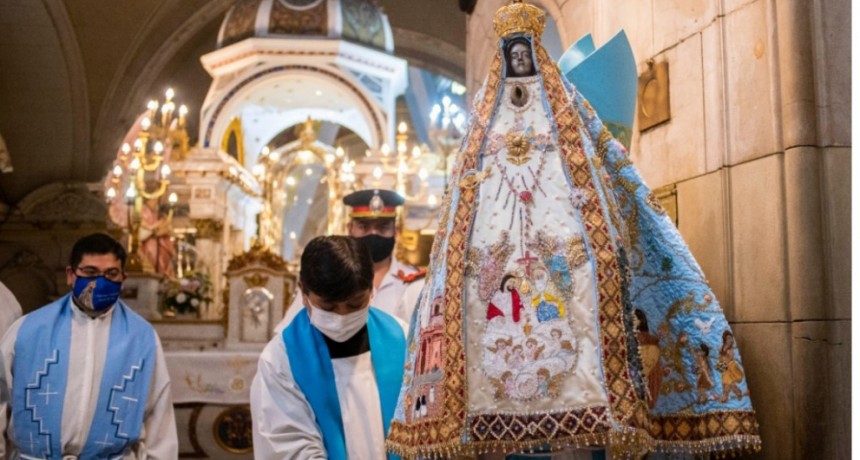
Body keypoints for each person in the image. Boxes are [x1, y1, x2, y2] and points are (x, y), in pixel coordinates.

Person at [386, 1, 760, 458]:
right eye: (510, 60)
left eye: (525, 58)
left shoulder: (582, 170)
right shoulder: (483, 154)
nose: (519, 72)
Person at [0, 233, 177, 459]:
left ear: (123, 278)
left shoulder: (141, 338)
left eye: (111, 274)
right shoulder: (28, 329)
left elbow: (159, 416)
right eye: (90, 272)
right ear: (71, 275)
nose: (99, 282)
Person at [251, 235, 407, 459]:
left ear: (371, 289)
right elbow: (288, 445)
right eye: (328, 306)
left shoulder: (402, 337)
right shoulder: (280, 359)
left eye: (355, 304)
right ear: (303, 292)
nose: (342, 316)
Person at [275, 188, 425, 330]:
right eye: (364, 227)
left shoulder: (414, 284)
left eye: (382, 227)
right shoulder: (325, 276)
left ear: (396, 231)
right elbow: (287, 333)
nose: (373, 233)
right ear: (350, 228)